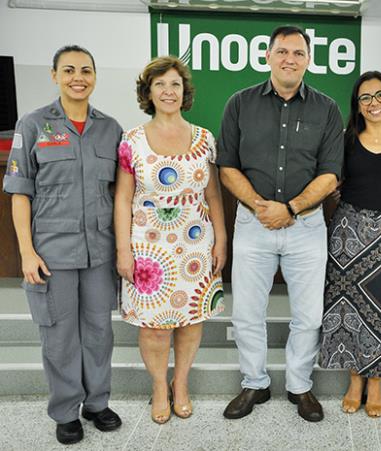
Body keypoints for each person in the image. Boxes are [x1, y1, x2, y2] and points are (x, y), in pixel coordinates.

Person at [217, 25, 343, 423]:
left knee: (308, 315)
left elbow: (330, 174)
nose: (290, 59)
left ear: (308, 60)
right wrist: (261, 207)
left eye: (299, 53)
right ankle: (255, 382)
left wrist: (289, 208)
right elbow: (227, 166)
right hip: (253, 224)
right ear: (268, 56)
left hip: (306, 227)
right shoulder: (240, 103)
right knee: (246, 313)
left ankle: (299, 386)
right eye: (283, 51)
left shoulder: (327, 108)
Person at [3, 45, 122, 445]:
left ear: (94, 77)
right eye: (69, 69)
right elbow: (20, 194)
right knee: (58, 335)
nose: (78, 77)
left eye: (86, 70)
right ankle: (65, 410)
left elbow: (121, 194)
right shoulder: (33, 124)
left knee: (98, 332)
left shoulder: (111, 128)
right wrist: (26, 251)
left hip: (99, 252)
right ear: (54, 75)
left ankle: (97, 403)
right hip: (51, 253)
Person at [114, 56, 227, 424]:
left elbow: (213, 196)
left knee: (192, 321)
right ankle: (159, 387)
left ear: (184, 91)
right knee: (155, 327)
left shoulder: (204, 139)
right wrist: (123, 251)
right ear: (148, 92)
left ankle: (181, 383)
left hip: (195, 245)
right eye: (160, 84)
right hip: (148, 249)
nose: (168, 91)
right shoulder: (131, 141)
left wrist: (221, 238)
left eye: (175, 84)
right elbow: (122, 199)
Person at [318, 71, 381, 417]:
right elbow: (332, 181)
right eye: (366, 98)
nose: (374, 103)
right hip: (347, 232)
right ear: (357, 105)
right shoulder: (346, 139)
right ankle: (355, 379)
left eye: (380, 95)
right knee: (348, 308)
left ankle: (376, 383)